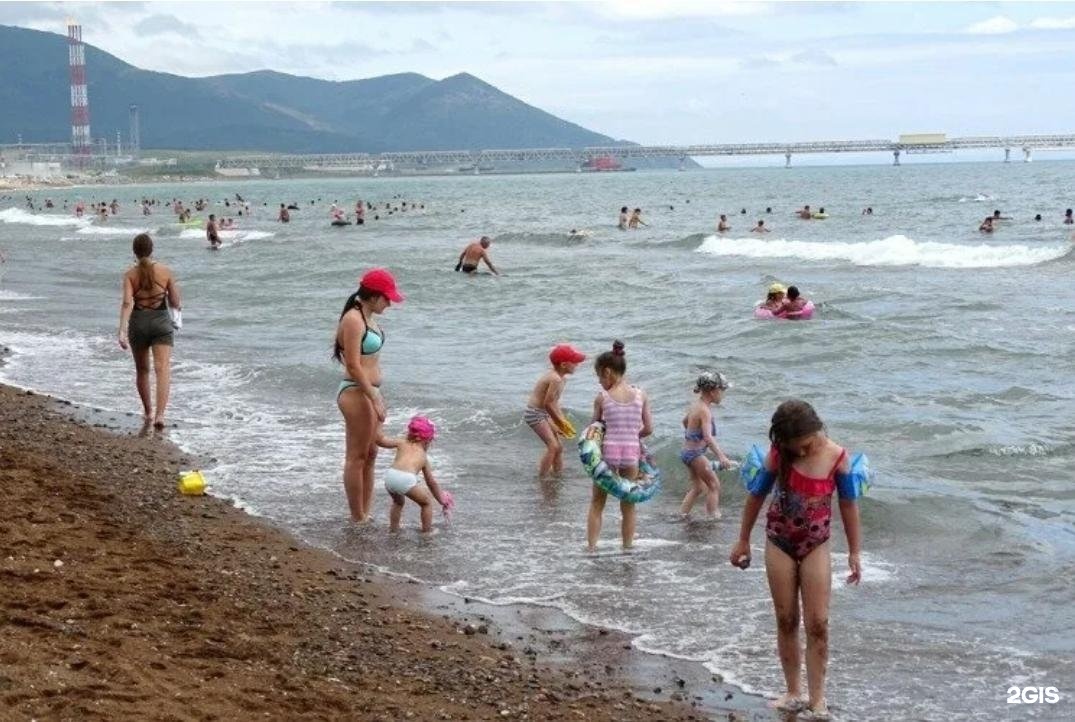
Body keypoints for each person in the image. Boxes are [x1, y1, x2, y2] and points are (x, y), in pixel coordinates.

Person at [729, 400, 862, 719]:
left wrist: (855, 551)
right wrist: (743, 538)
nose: (800, 453)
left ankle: (818, 699)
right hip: (779, 541)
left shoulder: (837, 458)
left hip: (817, 545)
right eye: (793, 448)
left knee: (818, 623)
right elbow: (756, 495)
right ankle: (792, 692)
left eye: (803, 446)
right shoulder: (779, 455)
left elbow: (848, 505)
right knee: (786, 618)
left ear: (815, 430)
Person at [334, 268, 405, 522]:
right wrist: (373, 396)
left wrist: (376, 393)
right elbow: (353, 365)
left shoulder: (369, 317)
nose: (389, 303)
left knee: (371, 454)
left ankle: (365, 511)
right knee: (357, 456)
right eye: (387, 298)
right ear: (374, 296)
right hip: (356, 391)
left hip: (369, 391)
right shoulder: (354, 319)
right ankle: (357, 517)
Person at [587, 340, 653, 551]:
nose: (599, 382)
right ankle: (626, 547)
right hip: (631, 453)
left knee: (597, 503)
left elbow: (593, 429)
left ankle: (592, 548)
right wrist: (634, 436)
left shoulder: (603, 397)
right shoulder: (641, 395)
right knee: (629, 504)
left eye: (599, 377)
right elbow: (649, 428)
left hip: (608, 452)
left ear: (607, 372)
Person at [117, 233, 181, 430]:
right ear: (152, 250)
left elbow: (128, 302)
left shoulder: (130, 274)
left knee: (142, 370)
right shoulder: (165, 271)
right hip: (161, 322)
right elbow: (176, 302)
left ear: (134, 252)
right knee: (162, 370)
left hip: (139, 323)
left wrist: (122, 331)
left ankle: (147, 412)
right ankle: (160, 415)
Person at [375, 416, 451, 532]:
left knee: (398, 502)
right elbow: (431, 483)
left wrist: (378, 422)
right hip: (405, 480)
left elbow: (380, 440)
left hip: (390, 477)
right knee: (426, 503)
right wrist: (441, 500)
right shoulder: (423, 457)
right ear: (427, 441)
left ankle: (393, 529)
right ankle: (426, 533)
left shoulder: (401, 442)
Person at [525, 344, 586, 478]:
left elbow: (554, 403)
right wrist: (559, 423)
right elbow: (547, 404)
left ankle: (558, 475)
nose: (577, 364)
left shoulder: (561, 379)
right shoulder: (555, 379)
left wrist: (562, 421)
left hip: (543, 413)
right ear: (564, 364)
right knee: (553, 446)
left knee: (559, 448)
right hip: (534, 414)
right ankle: (542, 478)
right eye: (574, 362)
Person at [679, 371, 734, 519]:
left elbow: (685, 421)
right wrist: (722, 457)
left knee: (698, 487)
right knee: (714, 485)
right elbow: (708, 437)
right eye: (722, 390)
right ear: (712, 391)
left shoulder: (696, 405)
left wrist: (692, 435)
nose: (723, 394)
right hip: (695, 454)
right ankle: (712, 517)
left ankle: (682, 514)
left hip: (687, 452)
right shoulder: (705, 411)